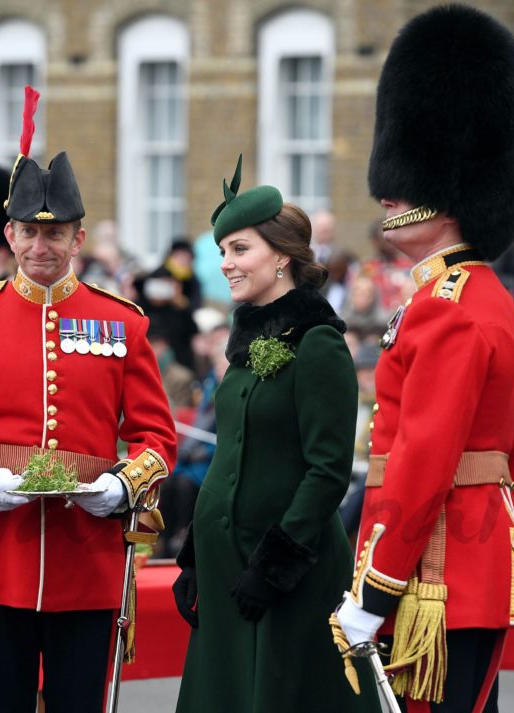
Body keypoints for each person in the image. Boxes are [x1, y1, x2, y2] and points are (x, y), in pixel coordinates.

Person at [330, 6, 514, 712]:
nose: (389, 194)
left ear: (447, 190)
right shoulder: (481, 297)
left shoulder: (451, 307)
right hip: (466, 562)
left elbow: (422, 460)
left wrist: (376, 586)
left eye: (407, 182)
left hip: (437, 572)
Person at [0, 87, 176, 713]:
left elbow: (156, 436)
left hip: (86, 560)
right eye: (29, 234)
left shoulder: (121, 323)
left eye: (56, 235)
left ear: (79, 238)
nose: (41, 248)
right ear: (9, 235)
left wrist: (124, 486)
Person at [172, 156, 378, 712]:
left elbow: (328, 469)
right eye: (223, 252)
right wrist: (195, 557)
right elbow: (229, 458)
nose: (226, 264)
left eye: (240, 249)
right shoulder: (243, 339)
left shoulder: (319, 343)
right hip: (226, 568)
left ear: (282, 256)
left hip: (288, 575)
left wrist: (275, 566)